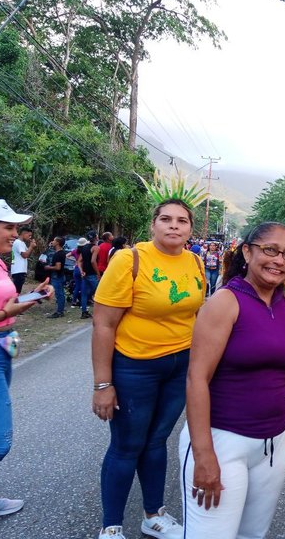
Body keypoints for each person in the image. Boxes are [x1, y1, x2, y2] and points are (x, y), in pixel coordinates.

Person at [180, 222, 285, 539]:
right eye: (269, 250)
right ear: (247, 251)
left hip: (275, 444)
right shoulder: (225, 303)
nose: (278, 261)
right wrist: (203, 455)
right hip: (222, 442)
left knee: (252, 535)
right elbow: (197, 378)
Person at [92, 199, 205, 539]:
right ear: (153, 224)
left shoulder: (196, 261)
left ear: (190, 228)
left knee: (157, 440)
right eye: (166, 219)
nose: (174, 226)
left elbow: (196, 316)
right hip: (134, 367)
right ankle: (111, 527)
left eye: (182, 221)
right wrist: (102, 384)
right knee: (127, 444)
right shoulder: (130, 260)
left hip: (179, 366)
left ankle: (153, 515)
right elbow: (103, 324)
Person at [0, 199, 53, 536]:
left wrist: (32, 297)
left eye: (16, 228)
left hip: (2, 349)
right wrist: (8, 311)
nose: (16, 234)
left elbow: (7, 308)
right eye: (8, 228)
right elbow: (1, 311)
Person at [44, 236, 68, 318]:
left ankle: (59, 312)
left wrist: (48, 267)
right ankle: (61, 309)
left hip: (57, 276)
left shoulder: (58, 254)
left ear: (58, 243)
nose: (52, 241)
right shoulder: (61, 252)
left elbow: (58, 267)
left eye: (54, 240)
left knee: (59, 294)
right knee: (61, 293)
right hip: (60, 275)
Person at [79, 230, 101, 319]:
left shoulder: (84, 247)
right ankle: (98, 313)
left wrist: (81, 271)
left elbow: (79, 261)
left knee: (84, 294)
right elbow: (93, 261)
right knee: (98, 293)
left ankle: (84, 312)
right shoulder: (96, 248)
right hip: (92, 274)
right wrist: (98, 273)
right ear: (96, 237)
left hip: (85, 274)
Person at [10, 225, 35, 293]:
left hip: (18, 270)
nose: (30, 237)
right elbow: (25, 255)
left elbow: (27, 253)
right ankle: (13, 303)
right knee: (16, 292)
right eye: (29, 235)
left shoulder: (21, 243)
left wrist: (31, 246)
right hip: (18, 270)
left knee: (17, 290)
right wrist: (31, 246)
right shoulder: (18, 243)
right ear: (24, 234)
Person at [70, 237, 87, 307]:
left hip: (76, 269)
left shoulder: (75, 251)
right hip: (82, 269)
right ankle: (81, 302)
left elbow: (67, 255)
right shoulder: (85, 252)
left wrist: (75, 260)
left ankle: (73, 301)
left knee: (77, 286)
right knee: (83, 287)